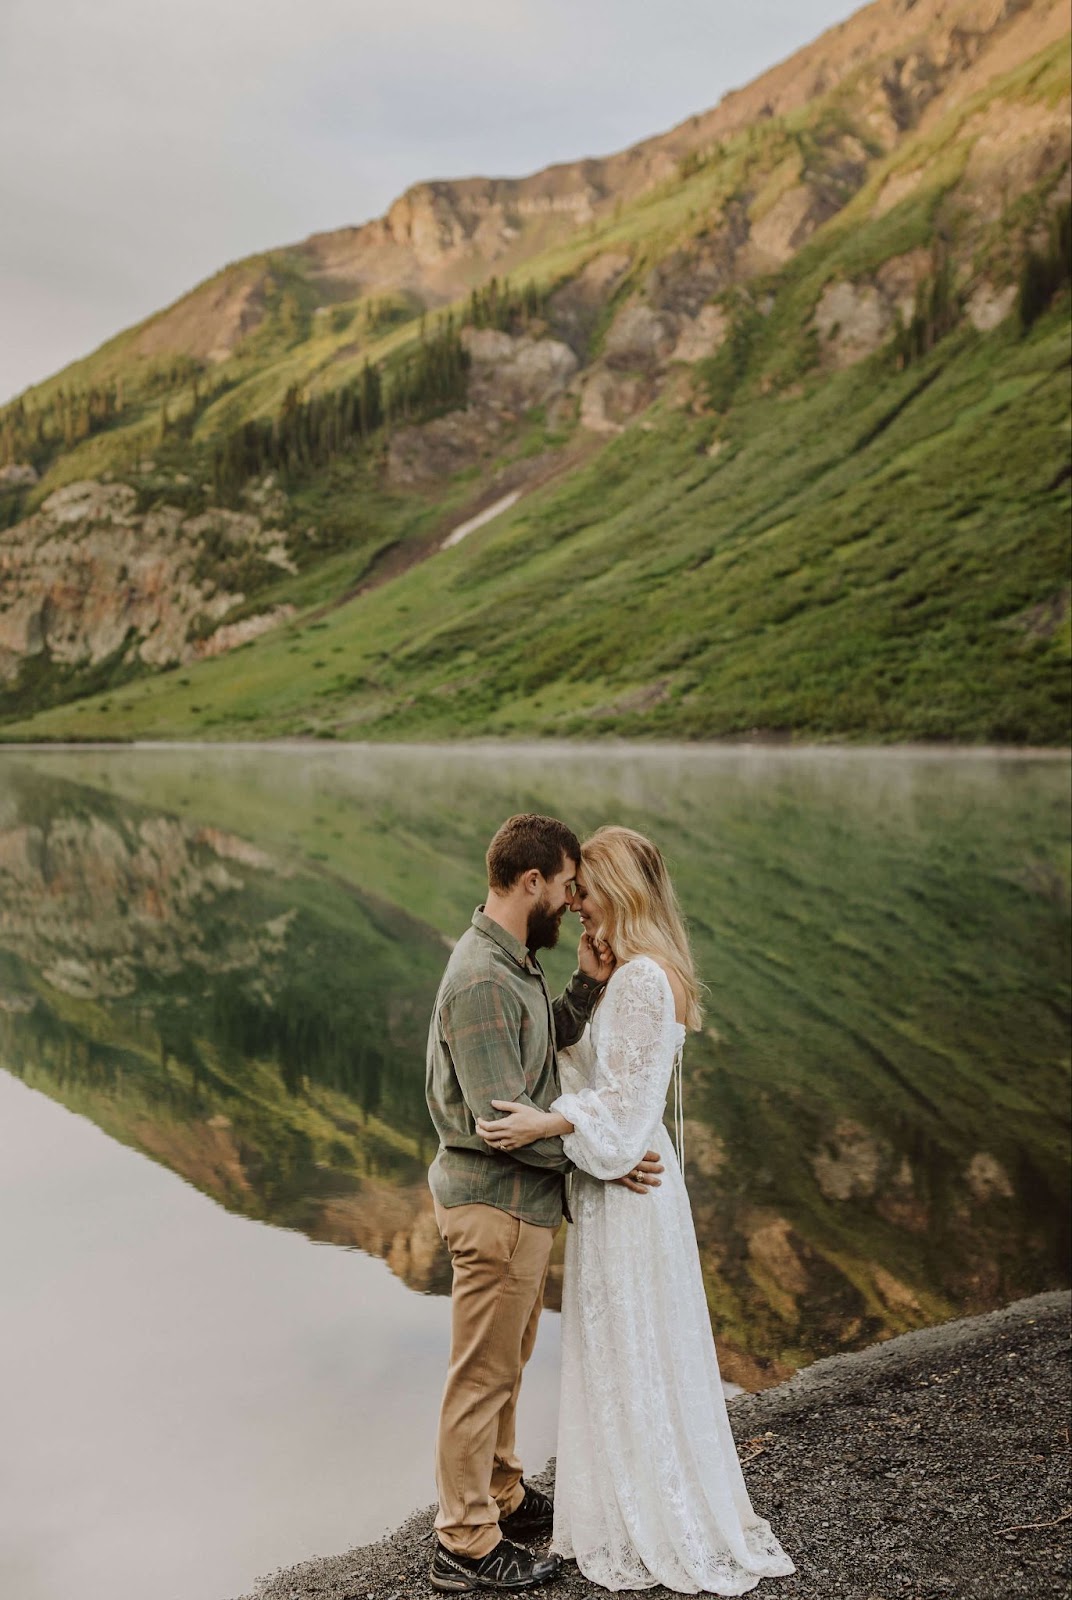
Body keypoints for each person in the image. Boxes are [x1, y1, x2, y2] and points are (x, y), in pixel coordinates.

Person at [477, 826, 795, 1595]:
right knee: (614, 1342)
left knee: (636, 1339)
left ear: (617, 889)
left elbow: (625, 1107)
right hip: (609, 1176)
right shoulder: (620, 972)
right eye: (571, 888)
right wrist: (585, 985)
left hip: (630, 1183)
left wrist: (547, 1124)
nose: (573, 902)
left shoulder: (650, 981)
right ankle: (616, 1500)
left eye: (584, 889)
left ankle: (655, 1507)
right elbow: (582, 1068)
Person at [425, 813, 665, 1594]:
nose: (572, 901)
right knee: (480, 1376)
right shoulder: (481, 979)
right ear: (532, 882)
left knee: (506, 1364)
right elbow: (506, 1125)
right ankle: (464, 1542)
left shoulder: (513, 961)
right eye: (566, 886)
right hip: (496, 1204)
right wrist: (602, 1158)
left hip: (523, 1206)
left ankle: (503, 1492)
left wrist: (588, 985)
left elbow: (537, 1063)